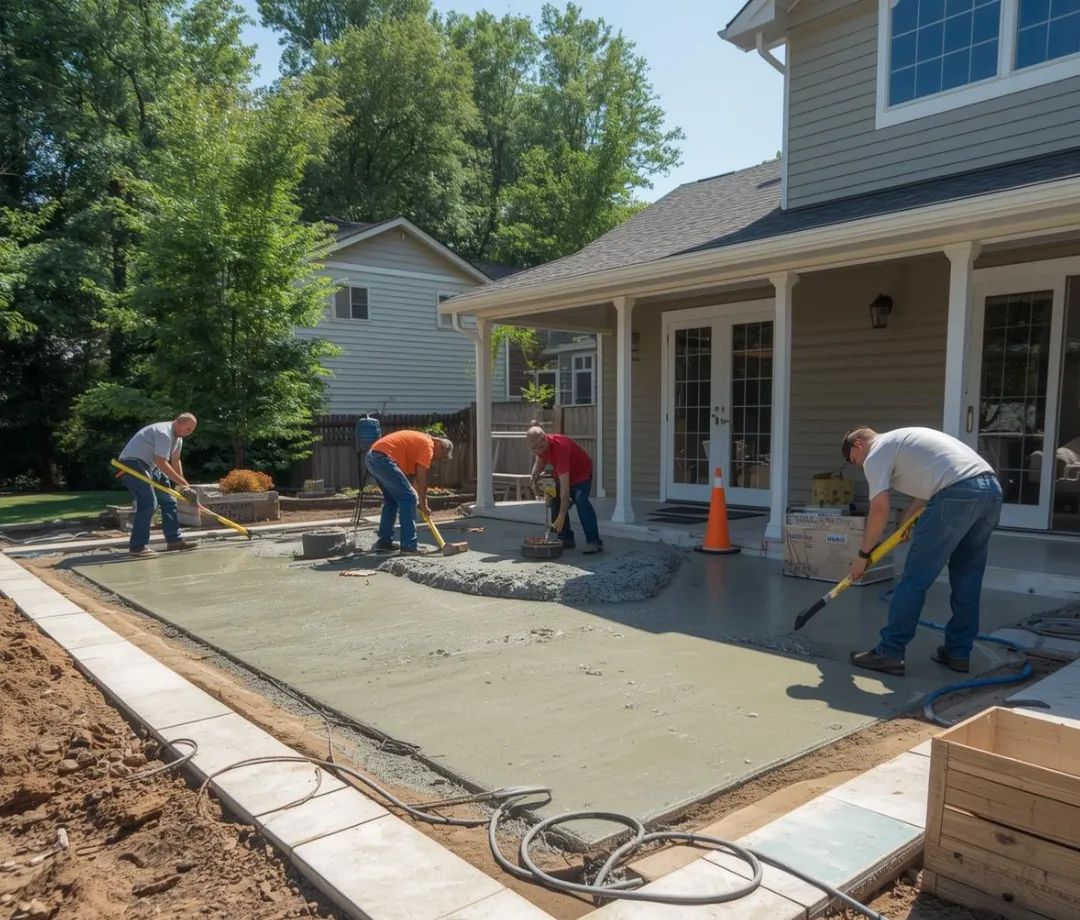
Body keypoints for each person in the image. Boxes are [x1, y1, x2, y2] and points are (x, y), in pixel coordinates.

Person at [841, 425, 1002, 677]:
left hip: (956, 493)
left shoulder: (876, 453)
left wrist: (863, 556)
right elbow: (924, 495)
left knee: (914, 579)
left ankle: (890, 653)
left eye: (854, 460)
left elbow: (880, 508)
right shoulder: (903, 441)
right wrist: (903, 527)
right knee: (967, 577)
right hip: (990, 491)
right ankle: (958, 652)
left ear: (858, 444)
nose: (858, 465)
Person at [118, 414, 200, 558]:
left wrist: (183, 486)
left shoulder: (178, 439)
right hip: (133, 463)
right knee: (149, 503)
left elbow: (175, 460)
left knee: (169, 501)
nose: (189, 433)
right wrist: (183, 484)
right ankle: (137, 547)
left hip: (150, 466)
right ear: (178, 423)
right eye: (188, 429)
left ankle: (174, 540)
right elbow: (161, 462)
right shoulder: (164, 433)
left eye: (192, 430)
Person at [365, 429, 454, 554]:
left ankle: (384, 543)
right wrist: (423, 503)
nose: (438, 460)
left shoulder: (419, 444)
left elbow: (413, 480)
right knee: (409, 498)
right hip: (383, 459)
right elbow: (421, 478)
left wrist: (422, 503)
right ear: (440, 445)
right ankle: (409, 545)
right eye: (443, 457)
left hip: (373, 458)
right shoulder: (428, 445)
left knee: (392, 501)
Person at [526, 425, 602, 554]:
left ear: (545, 439)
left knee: (580, 501)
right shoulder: (541, 447)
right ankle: (565, 538)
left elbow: (565, 490)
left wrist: (561, 515)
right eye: (534, 448)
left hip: (581, 473)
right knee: (555, 499)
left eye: (539, 447)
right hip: (564, 473)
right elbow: (539, 463)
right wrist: (533, 481)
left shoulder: (560, 448)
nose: (538, 451)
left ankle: (594, 542)